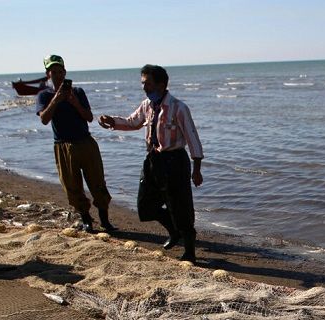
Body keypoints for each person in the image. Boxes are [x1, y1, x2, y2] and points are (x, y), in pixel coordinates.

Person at [98, 64, 204, 262]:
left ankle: (190, 252)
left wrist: (197, 170)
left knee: (180, 207)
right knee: (145, 207)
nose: (144, 88)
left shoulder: (178, 108)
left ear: (161, 84)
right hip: (153, 160)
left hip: (175, 161)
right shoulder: (147, 105)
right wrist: (112, 121)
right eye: (143, 84)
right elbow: (133, 122)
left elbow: (192, 138)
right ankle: (174, 231)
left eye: (147, 84)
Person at [36, 54, 116, 233]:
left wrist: (74, 102)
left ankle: (105, 221)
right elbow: (44, 119)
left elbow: (88, 117)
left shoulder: (78, 92)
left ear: (65, 72)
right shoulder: (44, 95)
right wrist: (56, 100)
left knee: (97, 182)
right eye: (53, 72)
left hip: (85, 142)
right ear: (48, 74)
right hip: (63, 145)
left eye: (60, 71)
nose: (57, 75)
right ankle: (86, 220)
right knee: (72, 186)